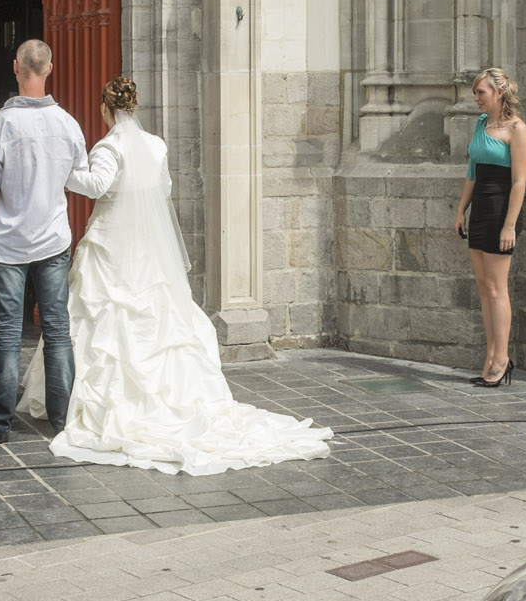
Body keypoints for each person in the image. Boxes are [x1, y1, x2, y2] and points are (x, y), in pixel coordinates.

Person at [22, 77, 332, 474]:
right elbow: (164, 186)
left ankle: (86, 402)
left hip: (112, 244)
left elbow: (96, 185)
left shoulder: (109, 146)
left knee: (99, 315)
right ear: (134, 106)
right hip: (148, 248)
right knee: (158, 314)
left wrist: (63, 170)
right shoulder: (155, 145)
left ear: (105, 109)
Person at [0, 40, 87, 444]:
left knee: (6, 332)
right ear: (49, 68)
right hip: (52, 239)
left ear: (15, 67)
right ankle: (62, 421)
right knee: (55, 330)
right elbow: (78, 178)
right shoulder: (68, 124)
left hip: (7, 245)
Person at [451, 68, 526, 388]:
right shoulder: (482, 124)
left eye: (480, 92)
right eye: (475, 93)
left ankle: (502, 359)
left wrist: (509, 226)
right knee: (484, 287)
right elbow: (472, 172)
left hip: (502, 211)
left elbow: (520, 182)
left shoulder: (517, 129)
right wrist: (461, 211)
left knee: (498, 289)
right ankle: (490, 356)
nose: (475, 98)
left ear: (499, 93)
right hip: (480, 209)